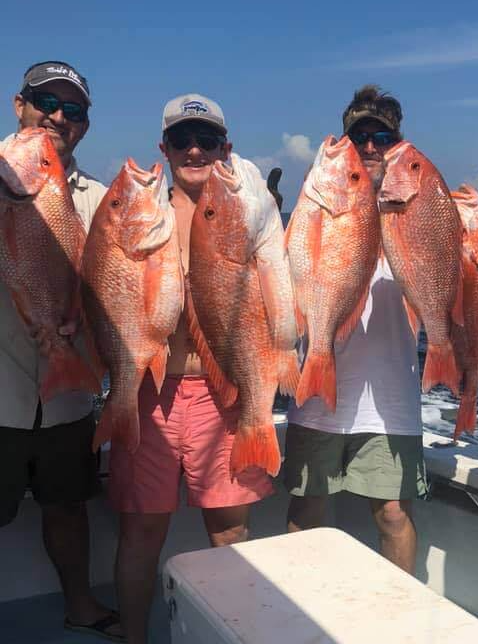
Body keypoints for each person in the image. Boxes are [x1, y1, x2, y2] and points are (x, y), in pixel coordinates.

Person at [111, 94, 277, 644]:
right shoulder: (139, 207)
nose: (195, 150)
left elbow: (283, 282)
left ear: (225, 148)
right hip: (149, 393)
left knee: (229, 530)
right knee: (142, 530)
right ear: (164, 148)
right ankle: (135, 638)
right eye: (182, 139)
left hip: (224, 391)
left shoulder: (251, 208)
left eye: (207, 139)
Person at [0, 61, 124, 641]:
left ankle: (80, 603)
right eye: (44, 102)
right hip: (0, 392)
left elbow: (119, 281)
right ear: (18, 105)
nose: (56, 117)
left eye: (71, 110)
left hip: (70, 395)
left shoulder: (100, 199)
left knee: (68, 507)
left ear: (85, 127)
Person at [284, 85, 427, 575]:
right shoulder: (318, 207)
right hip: (317, 397)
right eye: (358, 135)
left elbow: (440, 290)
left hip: (390, 403)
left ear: (398, 143)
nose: (369, 146)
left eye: (381, 137)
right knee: (307, 509)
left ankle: (401, 620)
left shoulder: (418, 208)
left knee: (392, 514)